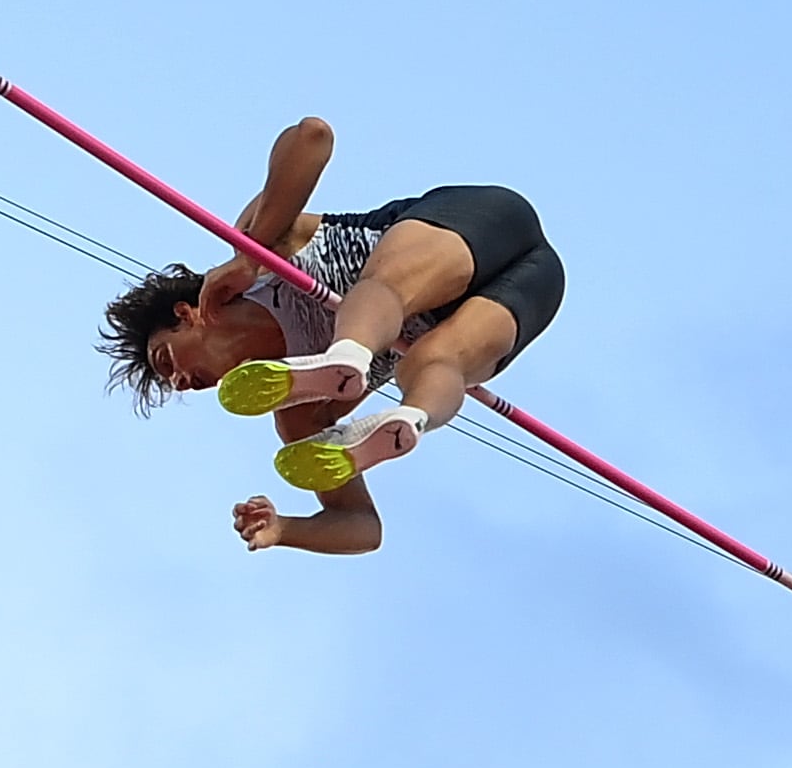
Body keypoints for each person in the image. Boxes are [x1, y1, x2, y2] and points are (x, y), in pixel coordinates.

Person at [96, 119, 566, 557]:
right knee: (434, 361)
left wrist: (248, 254)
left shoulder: (260, 258)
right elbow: (362, 527)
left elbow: (313, 136)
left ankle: (348, 355)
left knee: (381, 291)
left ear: (188, 314)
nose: (180, 383)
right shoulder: (297, 413)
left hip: (476, 226)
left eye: (164, 361)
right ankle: (412, 416)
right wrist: (284, 530)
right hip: (534, 286)